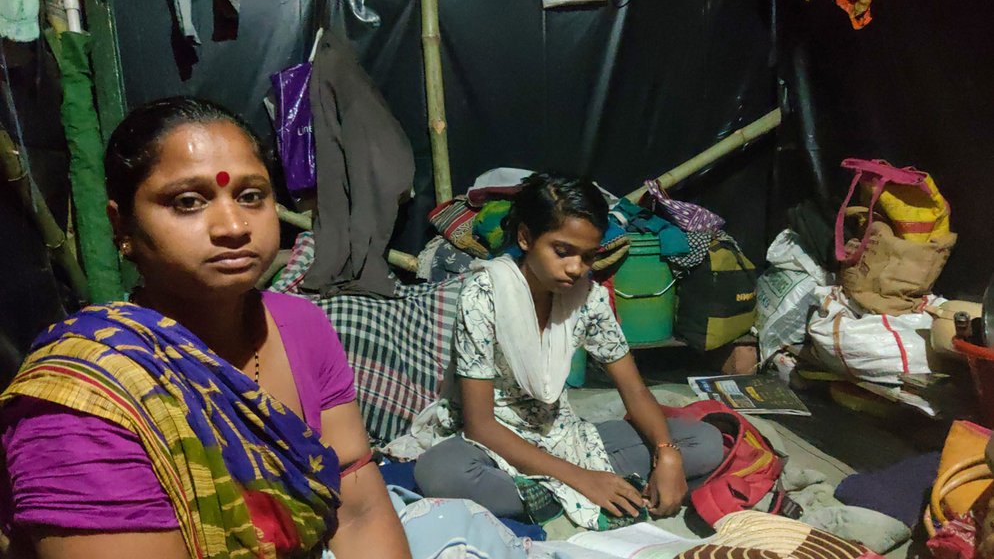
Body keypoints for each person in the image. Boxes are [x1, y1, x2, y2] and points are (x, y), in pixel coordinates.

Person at [0, 97, 411, 559]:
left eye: (251, 196)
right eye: (188, 202)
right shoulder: (89, 397)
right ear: (123, 227)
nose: (234, 225)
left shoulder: (304, 325)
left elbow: (359, 512)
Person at [414, 174, 725, 529]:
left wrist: (667, 455)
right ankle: (568, 493)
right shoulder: (484, 296)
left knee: (705, 442)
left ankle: (545, 494)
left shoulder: (588, 299)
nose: (576, 268)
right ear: (526, 238)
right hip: (492, 443)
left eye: (588, 256)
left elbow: (635, 391)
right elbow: (481, 425)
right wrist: (581, 479)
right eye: (563, 252)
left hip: (561, 435)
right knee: (440, 473)